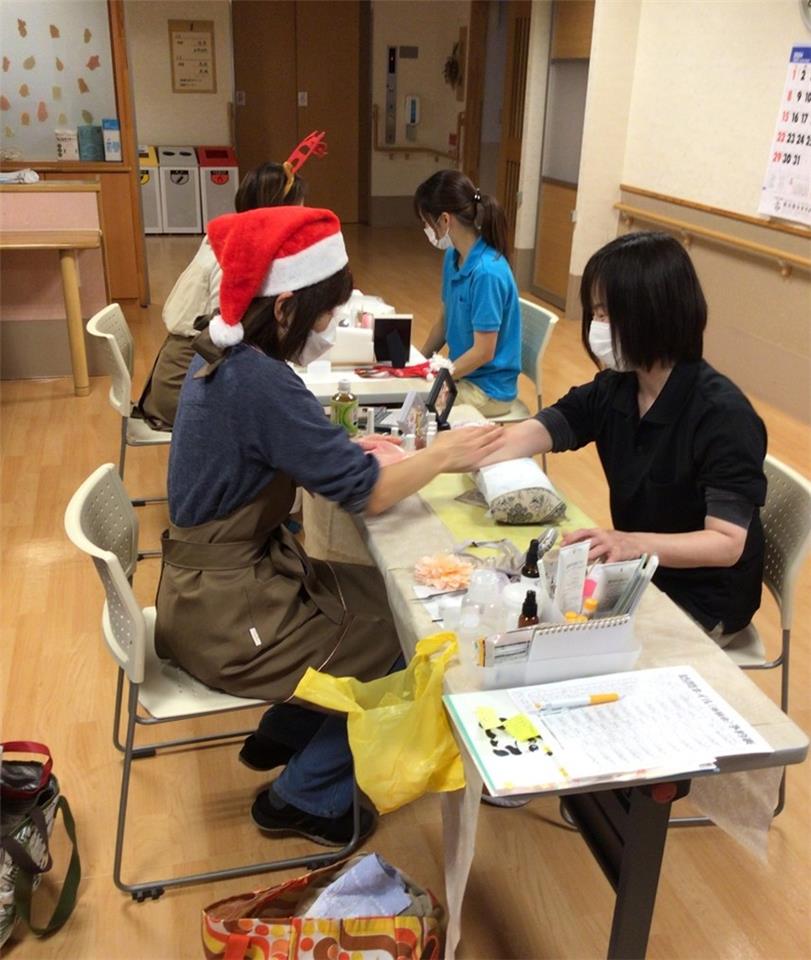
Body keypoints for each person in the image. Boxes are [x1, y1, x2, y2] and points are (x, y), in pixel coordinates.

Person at [155, 205, 502, 846]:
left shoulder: (225, 356)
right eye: (328, 314)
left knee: (389, 596)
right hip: (226, 616)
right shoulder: (260, 384)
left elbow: (277, 453)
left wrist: (337, 450)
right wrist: (443, 454)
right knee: (417, 632)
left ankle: (288, 731)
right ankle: (303, 798)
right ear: (286, 307)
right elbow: (368, 494)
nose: (331, 328)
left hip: (215, 586)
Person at [484, 231, 767, 644]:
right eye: (595, 313)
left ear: (656, 314)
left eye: (607, 314)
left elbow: (725, 543)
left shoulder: (723, 415)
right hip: (639, 571)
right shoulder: (619, 386)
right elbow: (546, 427)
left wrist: (628, 542)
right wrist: (456, 451)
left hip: (703, 598)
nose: (597, 327)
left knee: (560, 644)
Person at [137, 132, 326, 430]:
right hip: (186, 386)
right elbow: (227, 335)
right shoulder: (236, 255)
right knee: (283, 419)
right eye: (298, 210)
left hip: (192, 370)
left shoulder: (232, 235)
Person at [415, 169, 521, 417]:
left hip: (489, 391)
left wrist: (440, 375)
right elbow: (444, 321)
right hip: (464, 377)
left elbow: (484, 352)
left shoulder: (487, 273)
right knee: (407, 395)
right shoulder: (453, 257)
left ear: (444, 220)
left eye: (426, 222)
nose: (426, 229)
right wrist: (418, 363)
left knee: (416, 409)